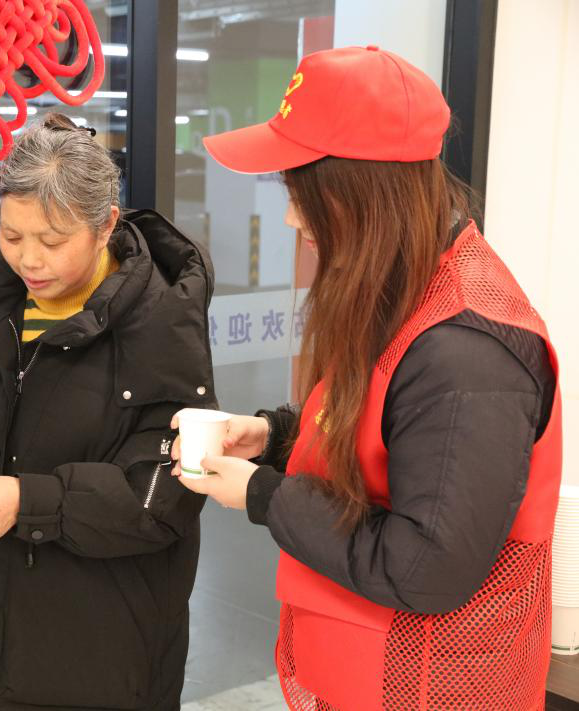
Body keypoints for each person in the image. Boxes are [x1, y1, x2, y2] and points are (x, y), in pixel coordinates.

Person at [175, 46, 561, 710]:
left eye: (301, 195)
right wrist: (273, 437)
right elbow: (392, 440)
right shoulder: (404, 287)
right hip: (366, 675)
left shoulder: (466, 353)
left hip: (432, 689)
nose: (292, 219)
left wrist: (265, 495)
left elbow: (426, 565)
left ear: (362, 191)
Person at [0, 113, 216, 710]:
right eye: (12, 236)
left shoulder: (160, 326)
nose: (29, 260)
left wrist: (30, 501)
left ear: (105, 227)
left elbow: (164, 494)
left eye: (52, 242)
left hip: (93, 663)